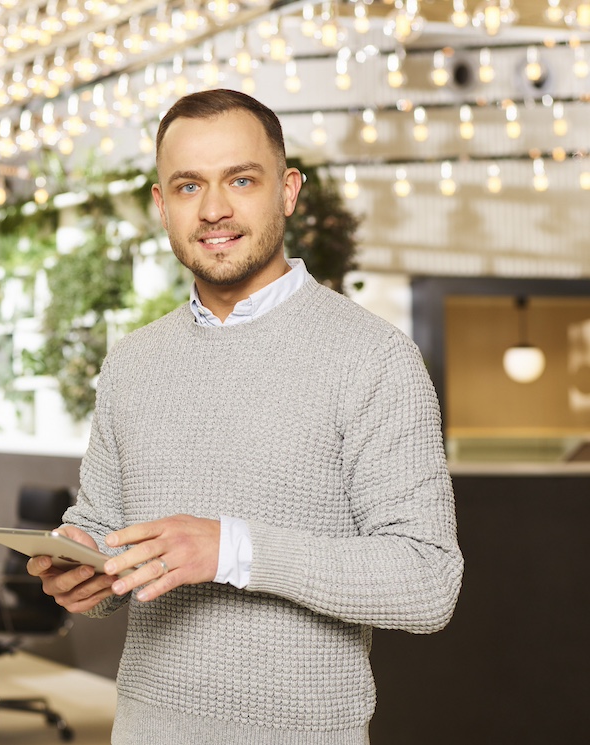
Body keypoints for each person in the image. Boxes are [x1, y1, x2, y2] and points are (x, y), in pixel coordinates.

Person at [27, 89, 464, 744]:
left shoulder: (375, 358)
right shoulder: (131, 364)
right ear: (160, 204)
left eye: (240, 179)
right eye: (187, 186)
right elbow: (105, 528)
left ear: (287, 191)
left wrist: (233, 548)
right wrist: (84, 563)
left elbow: (428, 582)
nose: (213, 209)